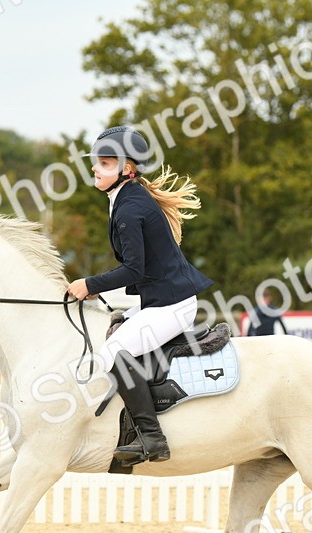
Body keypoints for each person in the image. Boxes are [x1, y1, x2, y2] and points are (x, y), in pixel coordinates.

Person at [67, 125, 213, 465]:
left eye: (104, 162)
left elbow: (134, 269)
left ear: (127, 169)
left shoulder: (130, 207)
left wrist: (89, 285)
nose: (95, 168)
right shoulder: (126, 198)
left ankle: (151, 437)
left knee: (115, 352)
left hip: (172, 306)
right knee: (115, 331)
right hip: (161, 301)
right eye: (97, 162)